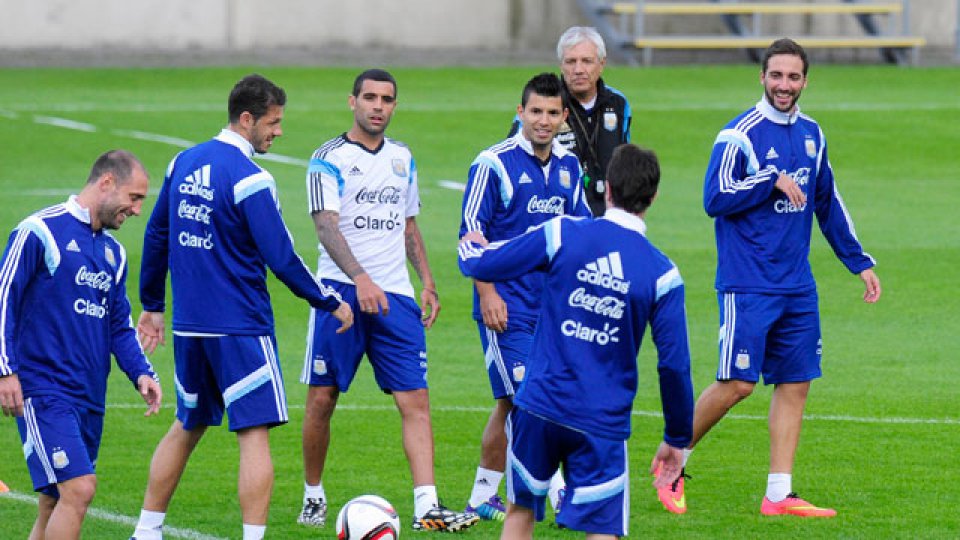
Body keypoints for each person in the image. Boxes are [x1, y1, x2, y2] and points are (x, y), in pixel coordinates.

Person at [654, 38, 882, 517]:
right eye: (776, 76)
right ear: (762, 77)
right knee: (737, 384)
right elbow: (714, 197)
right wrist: (768, 180)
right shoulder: (738, 134)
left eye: (793, 77)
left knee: (796, 382)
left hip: (796, 284)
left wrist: (858, 261)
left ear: (804, 81)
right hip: (748, 281)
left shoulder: (813, 135)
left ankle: (778, 494)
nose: (784, 85)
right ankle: (672, 459)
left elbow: (827, 202)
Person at [130, 74, 352, 540]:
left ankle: (146, 531)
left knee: (186, 425)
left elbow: (156, 234)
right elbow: (282, 257)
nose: (278, 132)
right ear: (246, 118)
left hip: (191, 328)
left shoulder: (182, 162)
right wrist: (328, 300)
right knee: (254, 434)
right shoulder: (252, 178)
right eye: (273, 123)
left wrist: (152, 304)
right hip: (241, 328)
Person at [458, 143, 694, 538]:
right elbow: (674, 366)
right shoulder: (663, 273)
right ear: (652, 197)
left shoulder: (562, 232)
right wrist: (677, 438)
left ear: (607, 190)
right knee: (601, 528)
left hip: (540, 405)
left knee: (520, 512)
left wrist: (470, 241)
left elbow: (482, 261)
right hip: (601, 419)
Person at [297, 68, 477, 533]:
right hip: (339, 293)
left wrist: (428, 282)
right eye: (371, 98)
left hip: (395, 297)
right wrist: (360, 279)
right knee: (323, 398)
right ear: (352, 101)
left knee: (415, 399)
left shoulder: (403, 158)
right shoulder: (327, 158)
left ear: (395, 106)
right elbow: (325, 226)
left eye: (387, 99)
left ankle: (426, 507)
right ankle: (313, 495)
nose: (379, 106)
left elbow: (408, 225)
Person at [0, 150, 162, 539]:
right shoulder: (39, 231)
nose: (137, 210)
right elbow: (4, 298)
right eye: (134, 197)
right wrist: (5, 371)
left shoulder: (113, 253)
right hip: (43, 388)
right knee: (79, 488)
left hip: (88, 394)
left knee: (55, 500)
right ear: (106, 182)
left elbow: (119, 326)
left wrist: (142, 373)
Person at [461, 72, 592, 522]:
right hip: (506, 308)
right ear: (520, 112)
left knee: (509, 401)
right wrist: (488, 293)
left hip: (551, 309)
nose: (543, 120)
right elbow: (469, 239)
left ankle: (482, 495)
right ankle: (558, 492)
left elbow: (580, 234)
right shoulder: (492, 164)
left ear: (564, 116)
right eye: (535, 111)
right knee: (530, 398)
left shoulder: (570, 167)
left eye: (553, 113)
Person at [508, 26, 632, 217]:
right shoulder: (542, 103)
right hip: (557, 217)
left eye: (587, 61)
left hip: (607, 217)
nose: (578, 70)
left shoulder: (619, 104)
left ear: (602, 63)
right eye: (571, 61)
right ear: (561, 65)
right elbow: (511, 159)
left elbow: (624, 161)